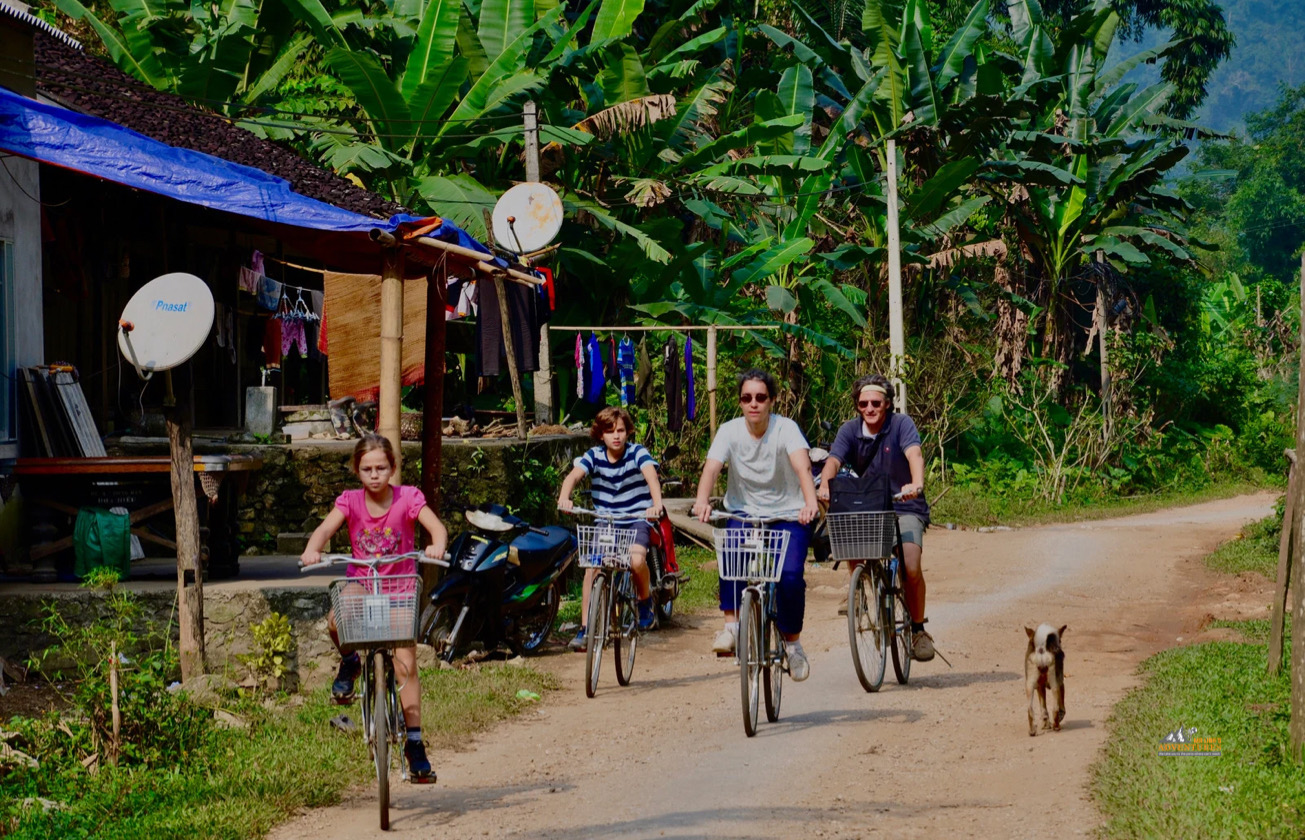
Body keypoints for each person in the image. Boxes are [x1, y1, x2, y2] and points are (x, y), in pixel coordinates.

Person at [301, 434, 449, 782]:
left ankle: (414, 743)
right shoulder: (349, 501)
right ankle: (351, 662)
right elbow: (324, 530)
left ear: (393, 469)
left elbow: (436, 528)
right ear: (357, 471)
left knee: (406, 664)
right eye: (366, 469)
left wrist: (437, 546)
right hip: (362, 585)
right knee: (337, 620)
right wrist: (313, 549)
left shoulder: (409, 497)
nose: (374, 475)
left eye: (381, 467)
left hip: (399, 589)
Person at [691, 369, 819, 681]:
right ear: (740, 402)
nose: (754, 404)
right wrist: (702, 500)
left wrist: (810, 502)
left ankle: (793, 645)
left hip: (789, 515)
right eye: (747, 398)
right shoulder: (729, 431)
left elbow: (802, 466)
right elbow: (712, 468)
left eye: (761, 398)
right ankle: (732, 628)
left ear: (772, 400)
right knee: (731, 558)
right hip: (744, 513)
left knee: (789, 576)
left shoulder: (785, 428)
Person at [815, 374, 933, 661]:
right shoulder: (849, 430)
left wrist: (916, 483)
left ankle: (918, 629)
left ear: (887, 404)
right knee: (849, 533)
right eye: (863, 403)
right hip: (867, 505)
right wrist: (824, 484)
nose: (869, 408)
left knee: (911, 565)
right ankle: (861, 590)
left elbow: (914, 454)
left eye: (876, 403)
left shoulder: (901, 425)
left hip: (903, 505)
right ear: (857, 405)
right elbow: (833, 460)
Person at [557, 406, 665, 652]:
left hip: (636, 518)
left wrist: (656, 504)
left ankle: (644, 600)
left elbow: (651, 476)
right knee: (592, 568)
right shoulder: (593, 455)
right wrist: (565, 497)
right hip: (605, 522)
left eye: (620, 430)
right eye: (610, 431)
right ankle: (585, 628)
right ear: (600, 434)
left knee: (636, 560)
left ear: (627, 432)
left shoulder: (637, 452)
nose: (616, 436)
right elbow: (573, 477)